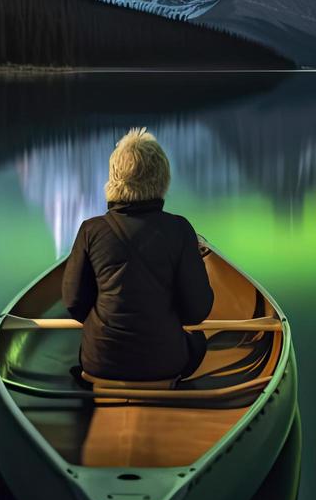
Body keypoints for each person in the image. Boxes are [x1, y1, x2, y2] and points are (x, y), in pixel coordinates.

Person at [62, 127, 214, 382]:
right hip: (165, 363)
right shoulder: (179, 230)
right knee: (198, 341)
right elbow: (197, 311)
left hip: (99, 362)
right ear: (162, 177)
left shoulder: (91, 230)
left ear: (113, 178)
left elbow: (74, 303)